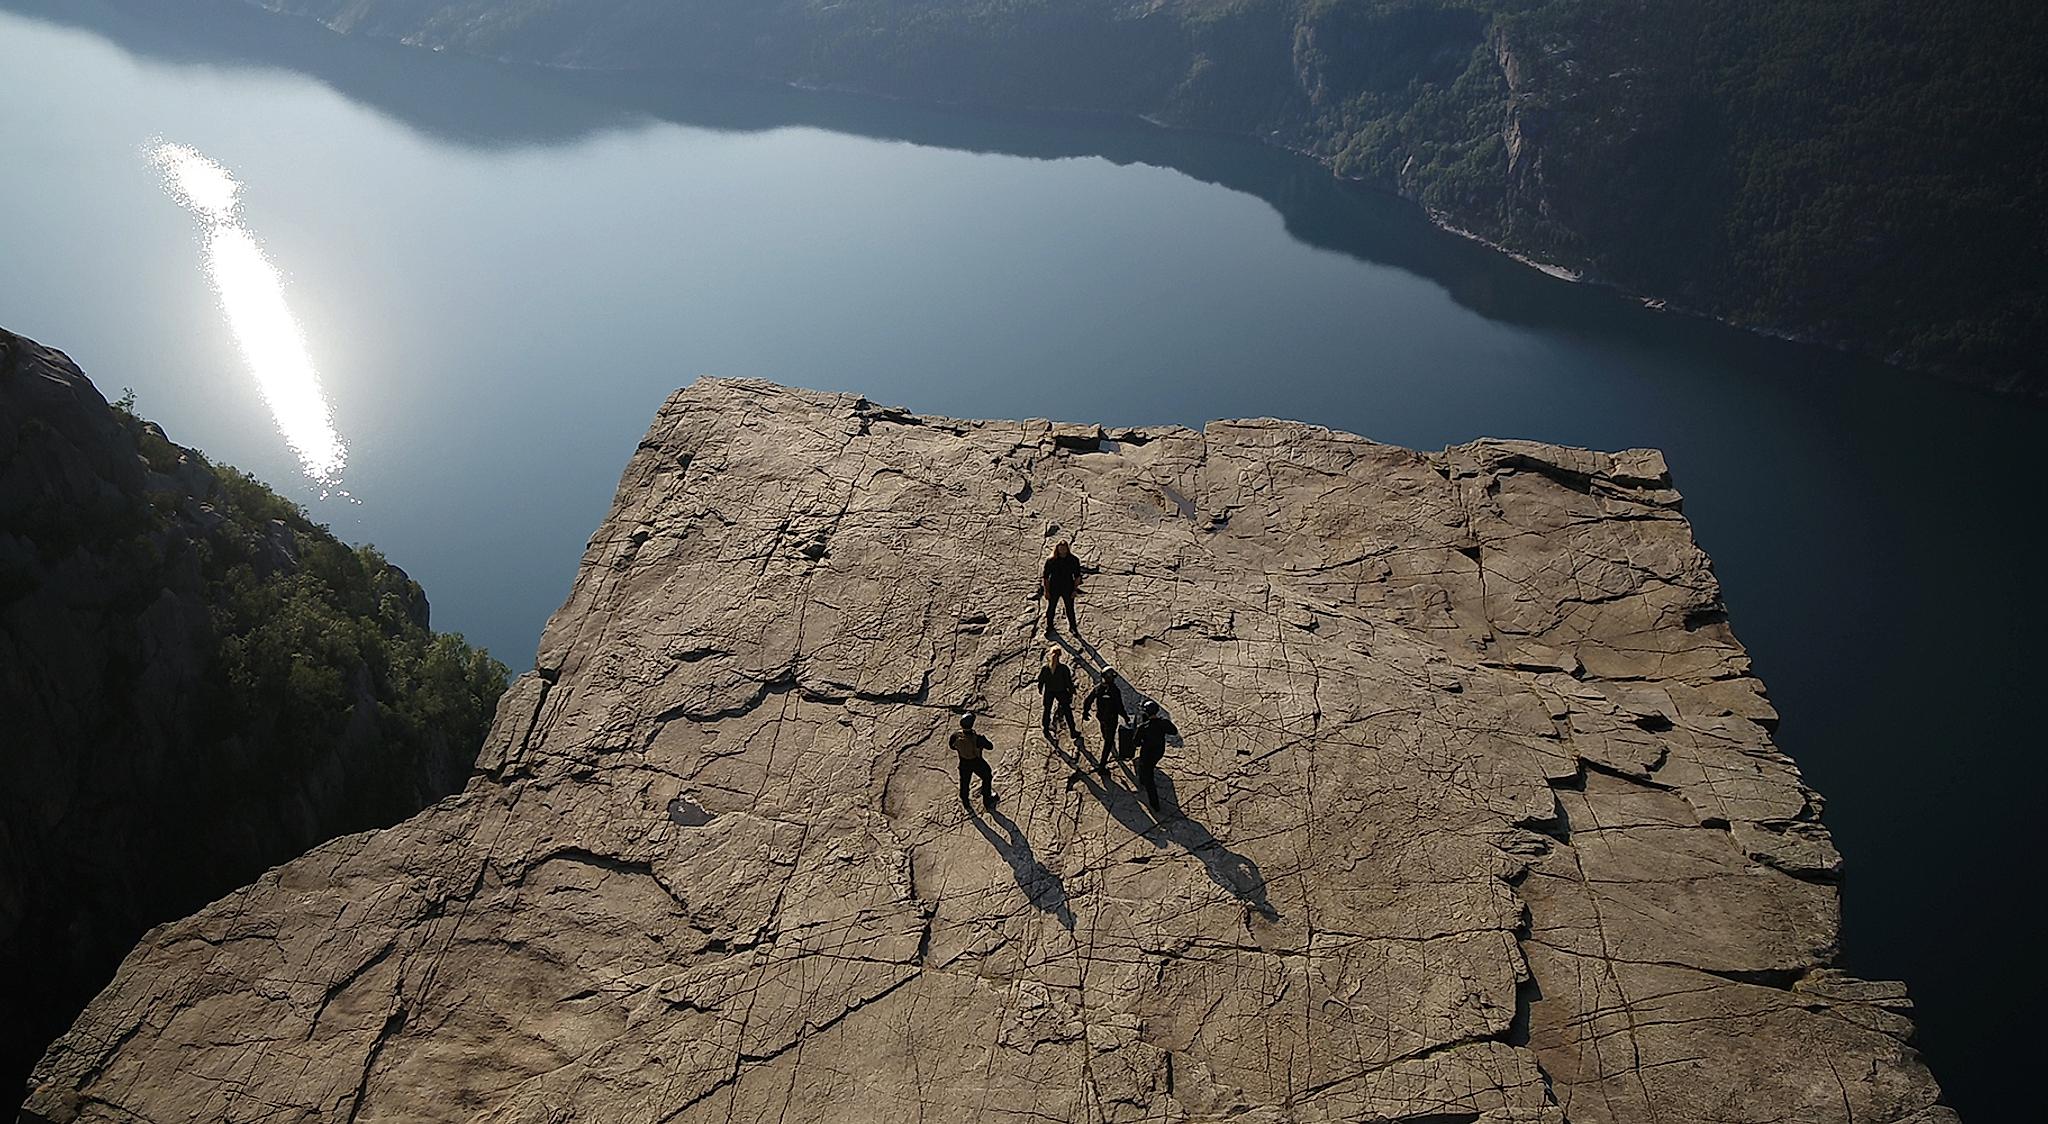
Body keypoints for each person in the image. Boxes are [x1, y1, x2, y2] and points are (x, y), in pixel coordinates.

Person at [1132, 700, 1178, 809]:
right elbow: (1173, 731)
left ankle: (1155, 804)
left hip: (1147, 754)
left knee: (1149, 777)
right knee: (1147, 767)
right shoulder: (1163, 723)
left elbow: (1136, 743)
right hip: (1159, 752)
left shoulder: (1143, 727)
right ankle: (1143, 779)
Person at [1080, 668, 1126, 774]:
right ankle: (1102, 767)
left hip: (1101, 717)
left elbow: (1088, 700)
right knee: (1108, 742)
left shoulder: (1098, 688)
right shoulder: (1115, 690)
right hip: (1111, 719)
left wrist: (1085, 712)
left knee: (1104, 731)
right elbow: (1119, 706)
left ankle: (1107, 738)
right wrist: (1126, 717)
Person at [1037, 648, 1082, 748]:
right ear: (1060, 656)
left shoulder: (1045, 668)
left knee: (1047, 710)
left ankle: (1045, 729)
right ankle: (1073, 731)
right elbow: (1068, 682)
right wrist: (1072, 691)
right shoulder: (1063, 668)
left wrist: (1040, 688)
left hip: (1049, 692)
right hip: (1061, 692)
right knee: (1067, 712)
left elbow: (1041, 680)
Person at [950, 713, 997, 809]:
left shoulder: (955, 736)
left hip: (963, 762)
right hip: (976, 762)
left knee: (964, 782)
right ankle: (987, 799)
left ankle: (965, 801)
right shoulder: (978, 738)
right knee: (987, 776)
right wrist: (983, 740)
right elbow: (990, 747)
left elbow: (952, 746)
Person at [1041, 541, 1083, 638]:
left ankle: (1073, 627)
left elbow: (1077, 576)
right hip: (1054, 587)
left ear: (1067, 548)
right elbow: (1046, 577)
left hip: (1068, 587)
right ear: (1057, 549)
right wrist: (1046, 591)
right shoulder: (1051, 560)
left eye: (1064, 548)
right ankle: (1049, 627)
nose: (1062, 551)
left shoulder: (1073, 560)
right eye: (1060, 548)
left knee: (1070, 609)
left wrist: (1075, 590)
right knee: (1051, 608)